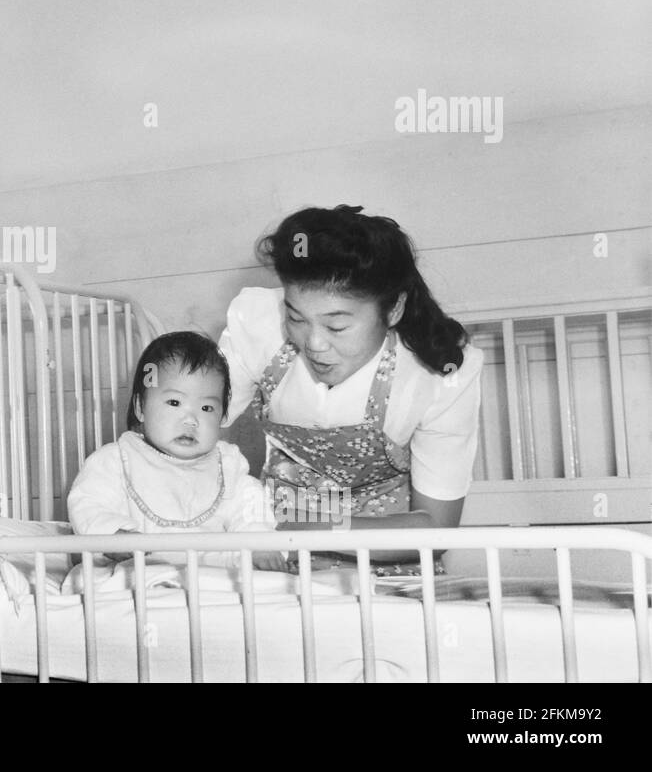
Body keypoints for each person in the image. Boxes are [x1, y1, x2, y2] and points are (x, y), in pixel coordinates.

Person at [219, 205, 484, 567]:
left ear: (393, 311)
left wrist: (316, 531)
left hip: (386, 556)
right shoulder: (258, 323)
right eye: (296, 318)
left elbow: (436, 528)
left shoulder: (438, 374)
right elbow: (181, 437)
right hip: (275, 550)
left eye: (337, 327)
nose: (314, 343)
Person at [67, 331, 285, 571]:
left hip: (212, 576)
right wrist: (113, 535)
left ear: (222, 416)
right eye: (174, 403)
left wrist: (258, 542)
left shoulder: (228, 466)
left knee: (259, 582)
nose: (191, 419)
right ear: (141, 408)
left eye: (206, 407)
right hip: (138, 572)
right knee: (105, 581)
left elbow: (251, 510)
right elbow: (88, 504)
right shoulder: (115, 461)